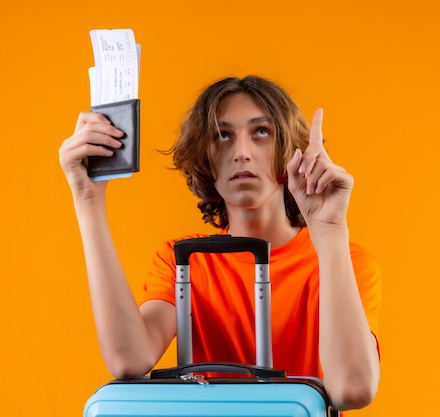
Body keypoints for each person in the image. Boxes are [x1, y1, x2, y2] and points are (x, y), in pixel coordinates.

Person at [58, 75, 381, 410]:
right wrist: (88, 199)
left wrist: (330, 232)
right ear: (206, 160)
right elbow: (128, 359)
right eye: (222, 136)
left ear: (290, 151)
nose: (241, 152)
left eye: (261, 132)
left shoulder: (348, 261)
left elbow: (351, 390)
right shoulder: (183, 260)